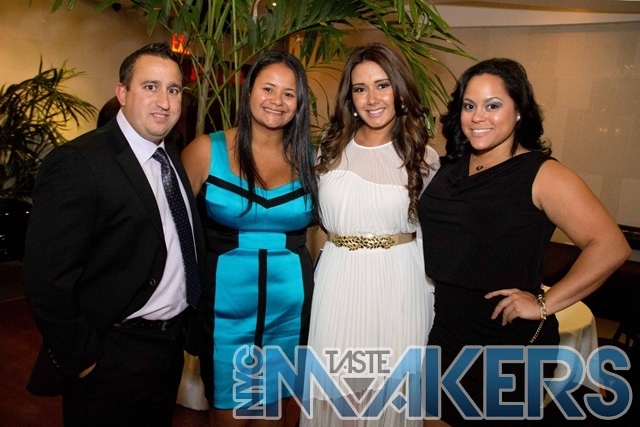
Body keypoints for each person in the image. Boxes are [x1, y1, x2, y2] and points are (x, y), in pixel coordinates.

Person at [418, 58, 631, 425]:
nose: (478, 116)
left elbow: (611, 246)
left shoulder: (543, 175)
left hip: (507, 343)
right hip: (446, 331)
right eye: (469, 105)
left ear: (519, 111)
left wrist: (545, 303)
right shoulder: (449, 166)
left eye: (493, 105)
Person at [23, 42, 204, 426]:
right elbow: (47, 278)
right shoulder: (79, 162)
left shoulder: (168, 153)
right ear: (122, 92)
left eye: (173, 90)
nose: (165, 101)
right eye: (150, 87)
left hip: (166, 350)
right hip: (111, 354)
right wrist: (83, 357)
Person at [300, 43, 440, 426]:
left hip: (399, 284)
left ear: (400, 90)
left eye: (382, 85)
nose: (372, 99)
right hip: (337, 280)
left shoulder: (423, 157)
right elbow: (320, 227)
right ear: (350, 97)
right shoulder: (329, 149)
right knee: (334, 392)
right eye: (360, 88)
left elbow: (437, 234)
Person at [180, 50, 318, 426]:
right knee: (228, 413)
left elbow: (327, 233)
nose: (277, 100)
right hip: (223, 311)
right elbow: (170, 229)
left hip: (289, 310)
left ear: (299, 102)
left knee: (272, 415)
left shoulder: (313, 159)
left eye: (288, 93)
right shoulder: (205, 151)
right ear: (249, 91)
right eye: (268, 88)